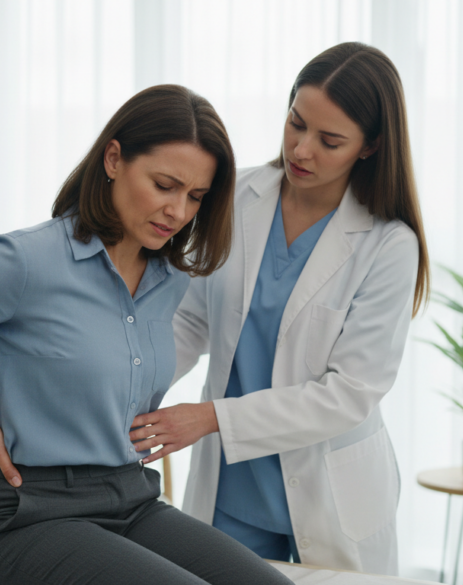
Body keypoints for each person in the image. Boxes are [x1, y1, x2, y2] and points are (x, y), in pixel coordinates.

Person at [0, 85, 294, 585]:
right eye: (164, 185)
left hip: (132, 500)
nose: (179, 211)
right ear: (113, 159)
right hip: (26, 514)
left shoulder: (169, 282)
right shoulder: (25, 262)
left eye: (195, 197)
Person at [128, 43, 430, 575]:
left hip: (330, 489)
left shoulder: (388, 245)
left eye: (329, 140)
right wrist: (127, 388)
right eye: (296, 122)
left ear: (370, 146)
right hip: (232, 487)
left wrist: (208, 418)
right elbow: (191, 320)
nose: (301, 149)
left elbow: (349, 393)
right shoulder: (236, 196)